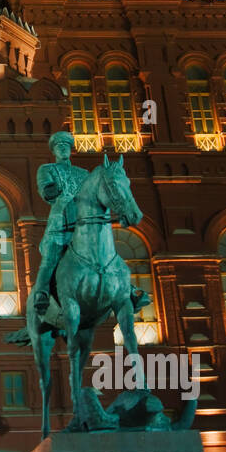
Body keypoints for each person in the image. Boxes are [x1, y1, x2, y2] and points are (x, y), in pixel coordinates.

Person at [32, 131, 150, 317]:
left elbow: (95, 196)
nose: (63, 149)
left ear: (70, 150)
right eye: (59, 146)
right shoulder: (47, 170)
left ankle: (130, 290)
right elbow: (46, 192)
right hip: (60, 226)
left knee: (106, 253)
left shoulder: (83, 173)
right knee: (50, 258)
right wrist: (56, 189)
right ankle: (41, 293)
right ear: (54, 150)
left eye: (66, 146)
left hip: (83, 226)